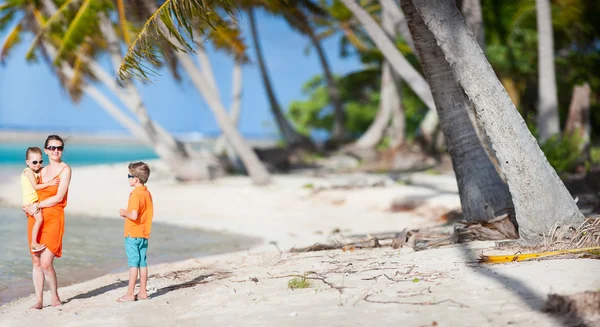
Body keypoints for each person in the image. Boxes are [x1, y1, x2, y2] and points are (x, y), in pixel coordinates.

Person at [23, 135, 72, 310]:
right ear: (45, 150)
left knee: (46, 263)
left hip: (54, 217)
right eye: (52, 148)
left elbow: (58, 197)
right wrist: (27, 206)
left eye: (59, 148)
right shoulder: (39, 170)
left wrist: (36, 205)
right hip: (36, 217)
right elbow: (29, 190)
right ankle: (39, 300)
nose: (55, 151)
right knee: (36, 262)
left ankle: (55, 297)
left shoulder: (65, 170)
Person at [117, 162, 154, 302]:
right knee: (142, 263)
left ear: (135, 179)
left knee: (133, 264)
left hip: (133, 234)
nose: (128, 178)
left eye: (129, 176)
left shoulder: (135, 195)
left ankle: (130, 293)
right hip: (144, 233)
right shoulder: (147, 193)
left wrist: (123, 212)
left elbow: (133, 215)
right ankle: (143, 292)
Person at [22, 147, 60, 253]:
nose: (38, 164)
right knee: (39, 220)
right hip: (30, 202)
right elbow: (35, 186)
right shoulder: (28, 172)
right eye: (34, 162)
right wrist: (49, 183)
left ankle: (35, 242)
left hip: (32, 202)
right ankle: (34, 243)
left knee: (38, 220)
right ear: (27, 162)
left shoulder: (34, 170)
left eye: (40, 161)